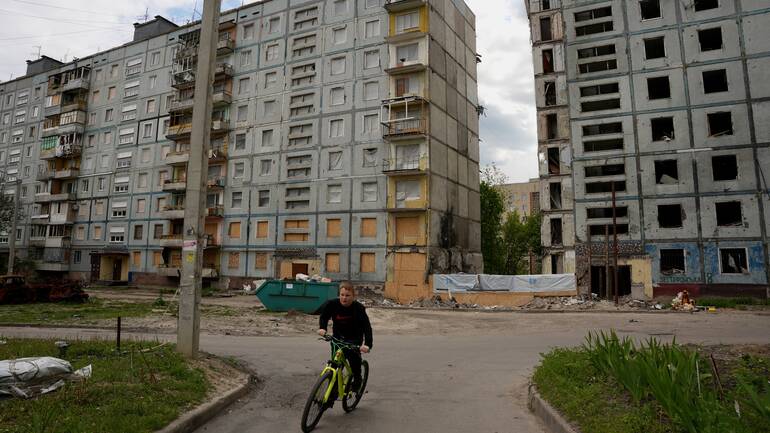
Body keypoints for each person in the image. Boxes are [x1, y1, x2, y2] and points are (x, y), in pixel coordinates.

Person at [317, 282, 373, 394]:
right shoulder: (332, 304)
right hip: (337, 338)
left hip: (354, 339)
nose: (344, 298)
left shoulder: (359, 308)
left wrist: (367, 344)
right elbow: (324, 316)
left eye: (347, 295)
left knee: (354, 362)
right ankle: (332, 391)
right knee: (335, 364)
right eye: (342, 295)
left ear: (353, 296)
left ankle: (357, 380)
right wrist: (322, 328)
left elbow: (367, 327)